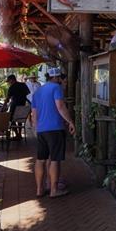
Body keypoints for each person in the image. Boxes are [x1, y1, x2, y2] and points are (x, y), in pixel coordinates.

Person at [31, 67, 75, 198]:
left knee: (40, 159)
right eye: (60, 77)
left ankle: (39, 189)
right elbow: (60, 106)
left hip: (41, 130)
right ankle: (54, 190)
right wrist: (70, 121)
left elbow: (34, 114)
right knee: (55, 159)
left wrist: (36, 128)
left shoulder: (37, 92)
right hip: (55, 128)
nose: (61, 80)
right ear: (56, 78)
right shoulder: (56, 88)